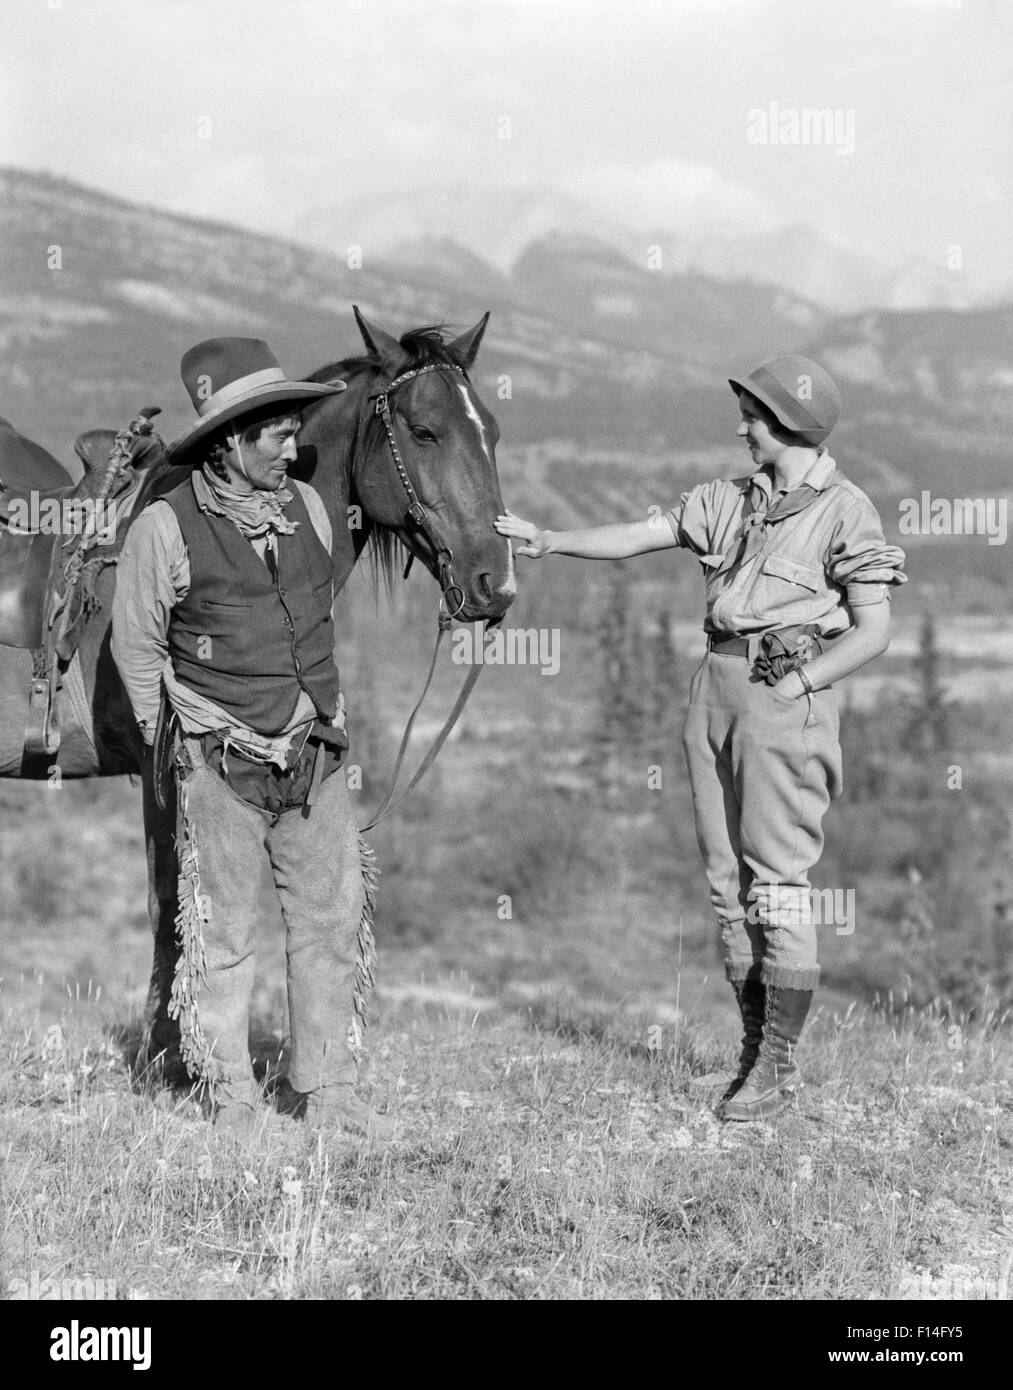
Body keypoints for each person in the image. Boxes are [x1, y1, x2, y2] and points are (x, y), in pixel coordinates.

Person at [495, 356, 906, 1121]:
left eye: (751, 415)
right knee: (726, 883)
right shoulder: (728, 499)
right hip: (713, 688)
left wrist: (799, 684)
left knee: (777, 878)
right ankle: (751, 1057)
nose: (740, 427)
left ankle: (778, 1072)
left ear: (786, 423)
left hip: (783, 695)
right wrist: (547, 540)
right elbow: (642, 534)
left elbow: (874, 629)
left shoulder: (846, 510)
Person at [112, 336, 393, 1137]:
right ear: (230, 441)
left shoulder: (308, 510)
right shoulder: (163, 531)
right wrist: (176, 753)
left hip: (314, 757)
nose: (292, 446)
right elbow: (136, 650)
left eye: (294, 430)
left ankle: (328, 1091)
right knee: (223, 935)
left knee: (333, 922)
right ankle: (229, 1093)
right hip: (218, 762)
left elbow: (314, 616)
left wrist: (324, 718)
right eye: (275, 435)